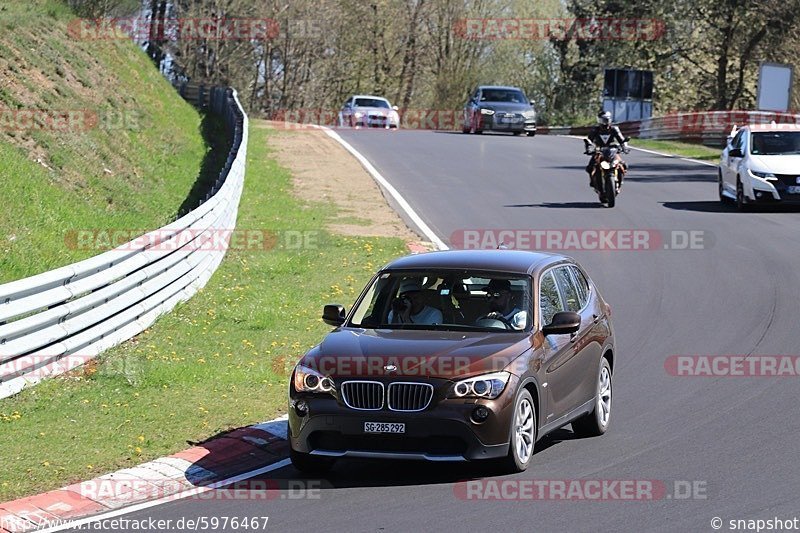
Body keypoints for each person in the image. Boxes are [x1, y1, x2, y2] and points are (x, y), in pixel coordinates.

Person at [585, 110, 628, 189]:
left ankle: (620, 180)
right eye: (602, 120)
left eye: (606, 120)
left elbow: (621, 139)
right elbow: (589, 140)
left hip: (612, 150)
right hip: (599, 151)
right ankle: (593, 181)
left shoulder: (614, 129)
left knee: (623, 165)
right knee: (590, 167)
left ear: (609, 120)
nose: (604, 122)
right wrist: (588, 148)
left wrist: (624, 147)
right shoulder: (595, 130)